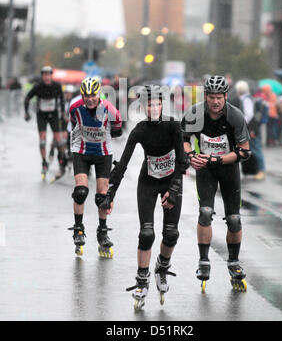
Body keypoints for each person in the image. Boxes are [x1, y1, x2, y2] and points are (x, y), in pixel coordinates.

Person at [104, 85, 187, 309]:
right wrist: (110, 193)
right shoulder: (139, 130)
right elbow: (122, 164)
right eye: (149, 104)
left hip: (171, 182)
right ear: (143, 107)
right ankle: (142, 281)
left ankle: (162, 266)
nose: (154, 108)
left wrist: (176, 188)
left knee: (171, 234)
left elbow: (182, 160)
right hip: (148, 182)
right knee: (146, 233)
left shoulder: (173, 126)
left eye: (157, 104)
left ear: (162, 105)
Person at [182, 75, 251, 292]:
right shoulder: (195, 114)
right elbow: (182, 140)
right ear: (206, 96)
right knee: (204, 212)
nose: (215, 102)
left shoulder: (235, 116)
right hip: (205, 170)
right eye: (211, 97)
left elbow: (244, 151)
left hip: (228, 168)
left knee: (234, 219)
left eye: (219, 97)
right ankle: (203, 261)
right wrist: (191, 155)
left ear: (225, 96)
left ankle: (233, 261)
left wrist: (217, 158)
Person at [68, 76, 122, 257]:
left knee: (102, 198)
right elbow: (75, 125)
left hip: (102, 154)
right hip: (81, 151)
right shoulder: (75, 108)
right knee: (81, 192)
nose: (90, 99)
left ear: (99, 94)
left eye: (93, 95)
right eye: (86, 95)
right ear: (82, 95)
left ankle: (102, 232)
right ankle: (78, 228)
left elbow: (118, 129)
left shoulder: (110, 110)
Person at [24, 66, 67, 180]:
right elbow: (27, 98)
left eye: (48, 75)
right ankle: (44, 162)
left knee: (59, 140)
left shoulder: (57, 86)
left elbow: (62, 100)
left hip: (53, 115)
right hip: (41, 115)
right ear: (42, 76)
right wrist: (26, 112)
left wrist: (63, 113)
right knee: (42, 140)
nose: (46, 77)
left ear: (51, 76)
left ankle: (62, 159)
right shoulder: (38, 87)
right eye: (44, 75)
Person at [235, 80, 266, 180]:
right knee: (246, 149)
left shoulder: (246, 99)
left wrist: (241, 123)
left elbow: (249, 114)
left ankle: (261, 171)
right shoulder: (248, 98)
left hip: (251, 129)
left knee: (255, 149)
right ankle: (250, 170)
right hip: (252, 128)